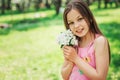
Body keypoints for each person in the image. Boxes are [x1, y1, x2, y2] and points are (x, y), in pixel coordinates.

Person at [61, 0, 111, 80]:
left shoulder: (99, 42)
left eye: (80, 19)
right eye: (71, 23)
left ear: (90, 18)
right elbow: (64, 76)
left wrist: (75, 58)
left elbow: (101, 77)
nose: (76, 25)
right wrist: (70, 60)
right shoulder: (73, 43)